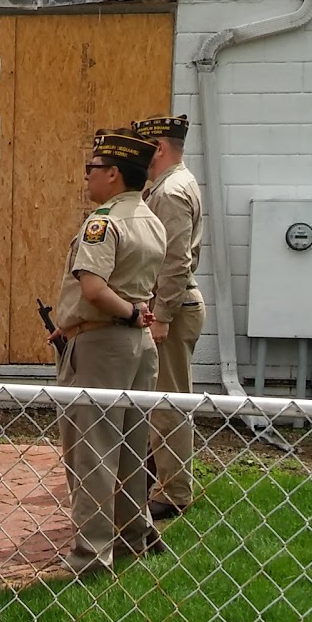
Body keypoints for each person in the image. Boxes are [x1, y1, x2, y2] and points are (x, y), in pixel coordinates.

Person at [50, 127, 166, 576]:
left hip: (103, 343)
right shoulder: (150, 218)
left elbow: (95, 290)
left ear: (113, 173)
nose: (87, 177)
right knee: (133, 446)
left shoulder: (103, 222)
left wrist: (129, 314)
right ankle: (134, 536)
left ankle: (92, 555)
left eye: (92, 168)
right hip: (136, 348)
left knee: (92, 449)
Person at [132, 113, 205, 521]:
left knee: (168, 404)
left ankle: (174, 491)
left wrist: (161, 315)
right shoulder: (175, 184)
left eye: (144, 146)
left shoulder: (171, 192)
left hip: (173, 309)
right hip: (174, 305)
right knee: (162, 400)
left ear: (158, 147)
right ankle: (156, 477)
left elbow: (175, 260)